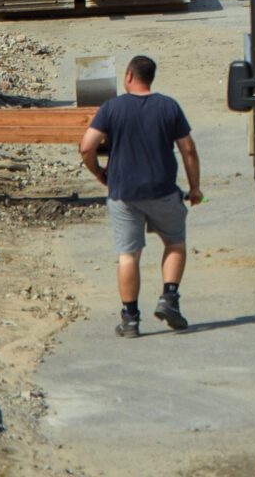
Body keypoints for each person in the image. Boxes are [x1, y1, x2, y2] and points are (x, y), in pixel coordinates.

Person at [78, 55, 203, 337]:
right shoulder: (169, 106)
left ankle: (130, 319)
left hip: (123, 194)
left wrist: (98, 172)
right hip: (163, 191)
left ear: (129, 76)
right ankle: (169, 298)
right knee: (174, 243)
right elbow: (189, 149)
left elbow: (87, 146)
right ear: (150, 78)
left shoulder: (112, 108)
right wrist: (194, 188)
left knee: (129, 255)